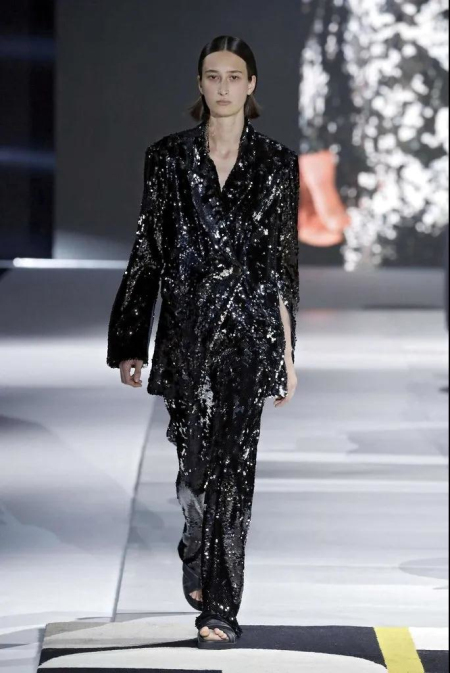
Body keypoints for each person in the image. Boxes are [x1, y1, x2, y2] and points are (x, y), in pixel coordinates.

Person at [106, 35, 300, 649]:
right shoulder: (167, 158)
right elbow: (149, 250)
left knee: (235, 471)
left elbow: (281, 265)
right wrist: (130, 340)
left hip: (249, 334)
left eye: (234, 76)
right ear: (199, 84)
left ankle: (221, 605)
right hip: (187, 333)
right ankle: (195, 540)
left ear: (251, 85)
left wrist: (288, 354)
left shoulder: (276, 163)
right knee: (195, 472)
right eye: (212, 75)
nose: (223, 86)